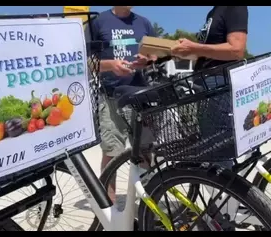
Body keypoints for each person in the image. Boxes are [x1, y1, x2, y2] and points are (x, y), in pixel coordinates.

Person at [89, 6, 156, 201]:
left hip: (139, 96)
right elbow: (87, 61)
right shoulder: (98, 22)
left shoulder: (144, 23)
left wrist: (148, 60)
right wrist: (111, 65)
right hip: (110, 98)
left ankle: (148, 205)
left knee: (145, 150)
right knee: (112, 154)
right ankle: (108, 210)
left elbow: (154, 56)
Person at [171, 6, 248, 168]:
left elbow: (236, 50)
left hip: (218, 83)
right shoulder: (213, 12)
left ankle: (228, 192)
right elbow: (209, 53)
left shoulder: (233, 8)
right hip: (206, 84)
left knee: (219, 149)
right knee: (213, 147)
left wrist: (195, 48)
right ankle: (225, 189)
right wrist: (187, 52)